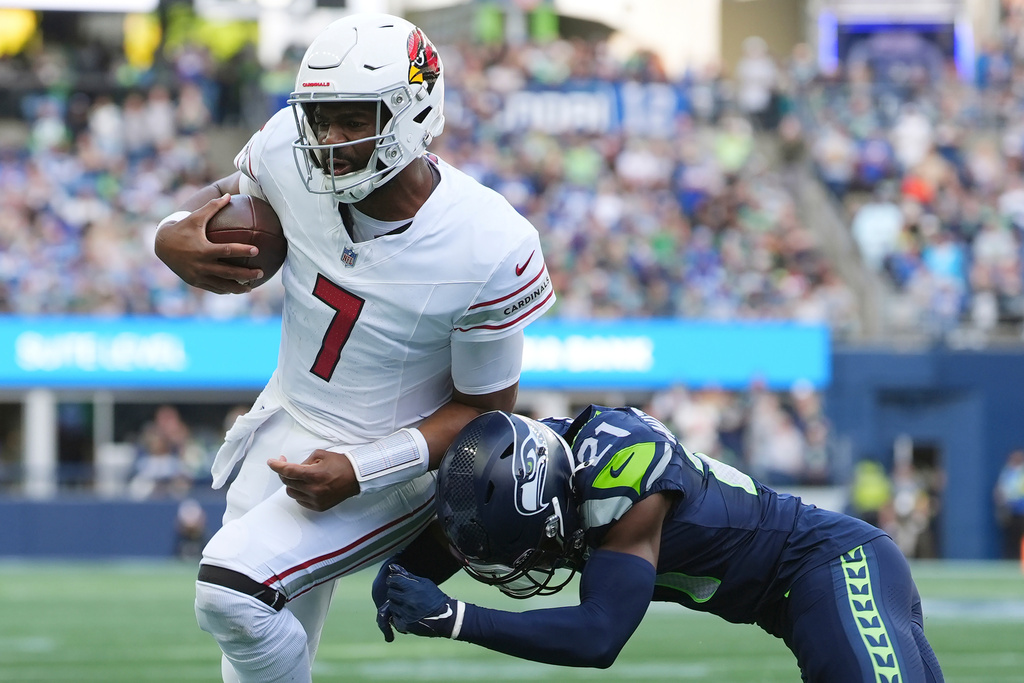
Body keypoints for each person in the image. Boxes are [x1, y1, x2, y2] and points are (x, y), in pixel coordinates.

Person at [153, 13, 554, 683]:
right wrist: (168, 234)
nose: (329, 141)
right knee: (248, 632)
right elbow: (219, 201)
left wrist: (362, 468)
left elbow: (482, 415)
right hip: (286, 425)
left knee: (230, 589)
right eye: (320, 118)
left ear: (414, 112)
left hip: (393, 463)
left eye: (352, 119)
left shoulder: (489, 242)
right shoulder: (288, 149)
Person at [375, 406, 944, 683]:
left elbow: (599, 636)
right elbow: (490, 505)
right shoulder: (545, 458)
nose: (543, 559)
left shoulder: (623, 481)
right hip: (795, 602)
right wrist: (404, 567)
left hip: (835, 569)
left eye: (539, 544)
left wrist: (455, 617)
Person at [994, 448, 1024, 560]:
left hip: (1022, 510)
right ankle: (1010, 560)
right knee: (1011, 538)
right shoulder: (1007, 472)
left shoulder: (1022, 472)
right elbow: (1001, 490)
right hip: (1011, 510)